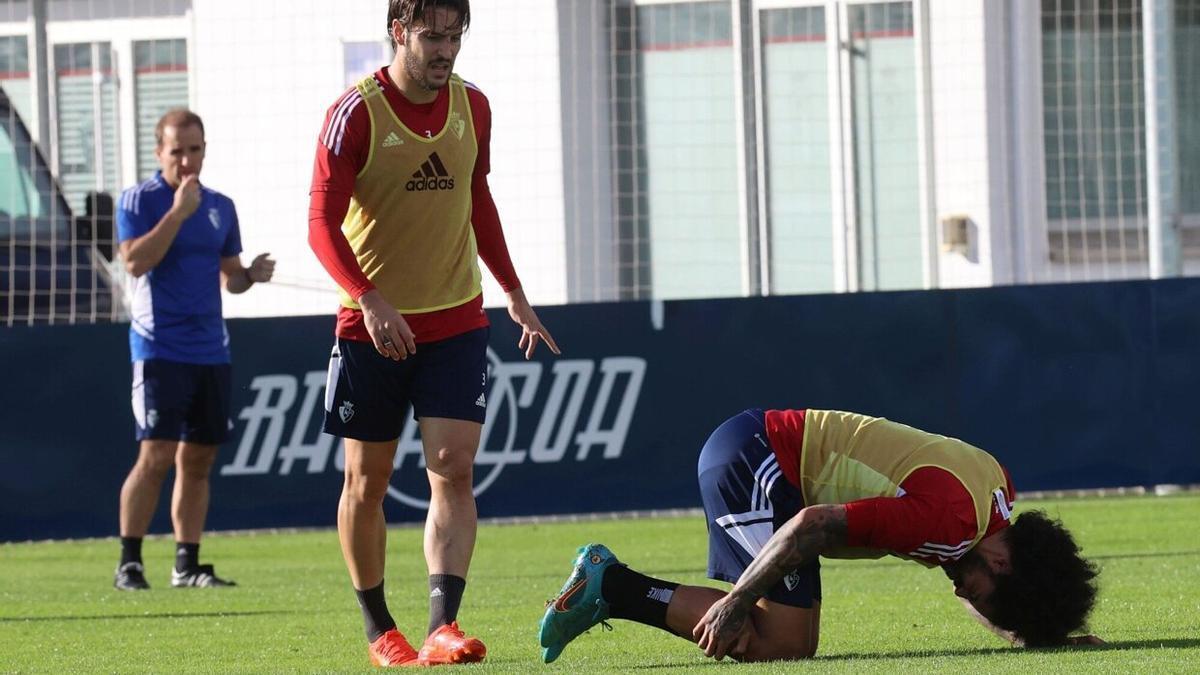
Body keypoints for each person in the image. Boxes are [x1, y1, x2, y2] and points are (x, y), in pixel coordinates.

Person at [307, 0, 560, 667]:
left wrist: (513, 291)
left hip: (456, 319)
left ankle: (443, 625)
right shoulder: (354, 113)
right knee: (368, 480)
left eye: (456, 36)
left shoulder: (473, 107)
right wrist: (368, 299)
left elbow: (478, 198)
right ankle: (378, 629)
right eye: (432, 36)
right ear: (398, 32)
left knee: (453, 468)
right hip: (373, 329)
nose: (446, 49)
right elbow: (320, 224)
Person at [540, 408, 1102, 663]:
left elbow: (971, 571)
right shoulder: (951, 524)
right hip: (756, 461)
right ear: (1004, 567)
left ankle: (612, 586)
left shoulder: (992, 496)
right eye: (977, 595)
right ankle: (611, 586)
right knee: (779, 641)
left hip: (772, 462)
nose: (961, 594)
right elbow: (811, 526)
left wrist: (1027, 635)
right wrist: (736, 601)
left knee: (792, 641)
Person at [113, 108, 275, 591]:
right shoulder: (139, 200)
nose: (186, 160)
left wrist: (251, 276)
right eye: (177, 151)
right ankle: (130, 561)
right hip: (159, 346)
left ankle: (187, 563)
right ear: (159, 152)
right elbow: (135, 262)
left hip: (211, 350)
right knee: (156, 453)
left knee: (199, 459)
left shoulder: (220, 206)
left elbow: (231, 277)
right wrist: (177, 213)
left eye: (195, 150)